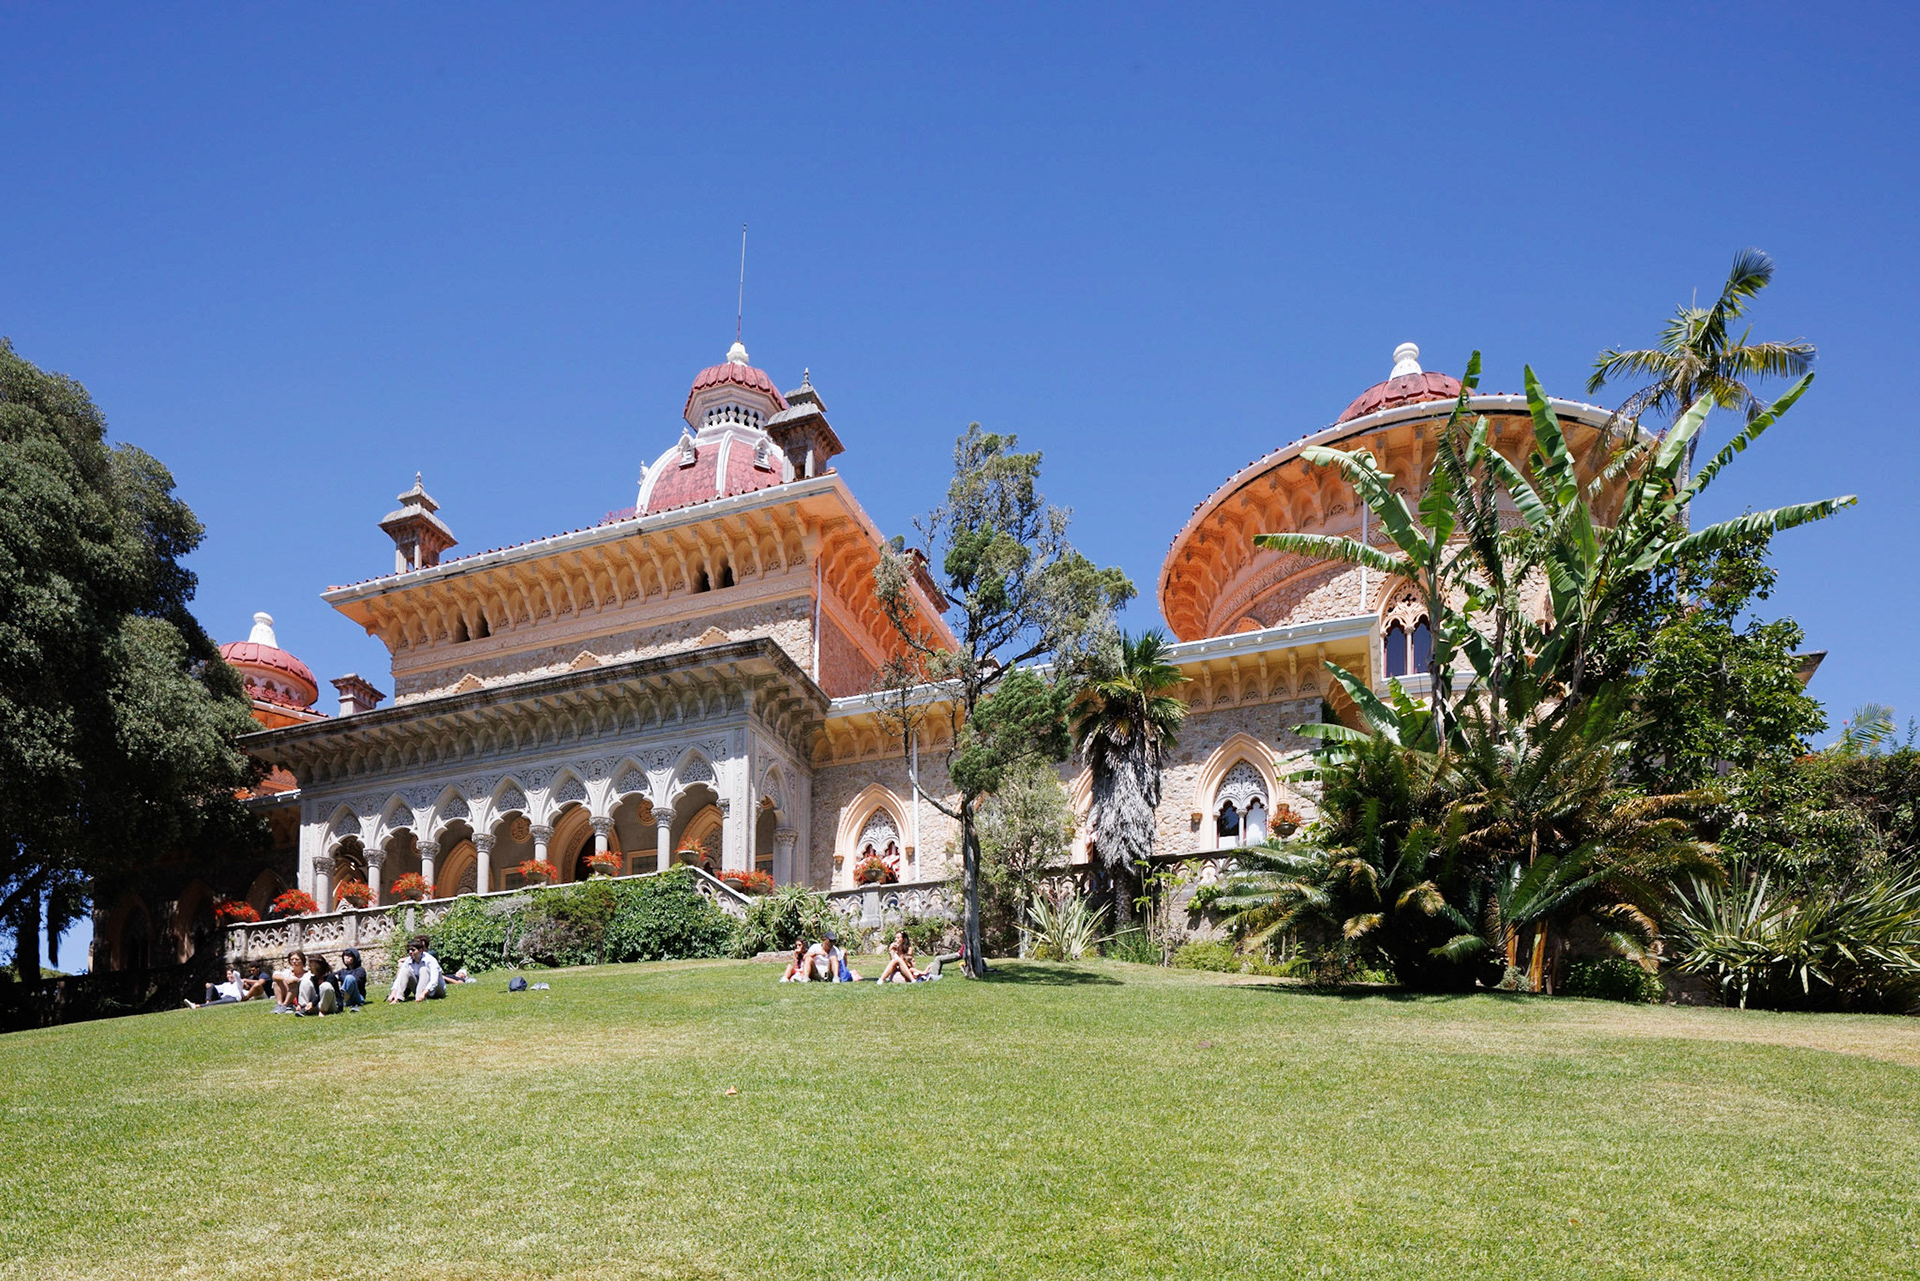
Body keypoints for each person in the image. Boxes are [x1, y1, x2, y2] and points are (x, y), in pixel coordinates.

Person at [388, 935, 445, 1002]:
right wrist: (393, 993)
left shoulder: (430, 960)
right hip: (420, 989)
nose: (410, 952)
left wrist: (423, 994)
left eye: (413, 950)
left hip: (436, 991)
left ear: (420, 950)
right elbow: (399, 978)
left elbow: (434, 981)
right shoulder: (408, 961)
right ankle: (398, 998)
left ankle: (418, 997)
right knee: (404, 971)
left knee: (424, 969)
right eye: (409, 950)